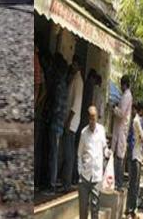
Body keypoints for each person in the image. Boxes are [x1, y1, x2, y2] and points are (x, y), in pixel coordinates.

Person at [77, 106, 107, 219]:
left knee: (95, 208)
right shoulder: (84, 133)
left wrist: (107, 152)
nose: (92, 121)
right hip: (85, 176)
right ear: (88, 118)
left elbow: (104, 148)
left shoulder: (102, 130)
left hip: (97, 176)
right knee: (83, 209)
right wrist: (80, 172)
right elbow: (79, 154)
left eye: (94, 119)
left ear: (97, 118)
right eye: (90, 118)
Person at [48, 57, 73, 191]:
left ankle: (52, 184)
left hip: (55, 124)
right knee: (55, 154)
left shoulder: (59, 85)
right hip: (60, 125)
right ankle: (53, 181)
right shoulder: (64, 85)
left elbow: (57, 107)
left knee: (54, 154)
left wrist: (49, 111)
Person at [61, 59, 84, 191]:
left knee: (69, 154)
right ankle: (66, 182)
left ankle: (66, 183)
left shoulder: (78, 81)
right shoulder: (75, 79)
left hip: (71, 123)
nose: (72, 65)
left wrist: (68, 121)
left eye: (75, 63)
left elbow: (75, 104)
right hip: (71, 121)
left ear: (78, 65)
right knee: (68, 153)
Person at [111, 75, 132, 190]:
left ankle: (118, 182)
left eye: (121, 84)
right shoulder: (125, 96)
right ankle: (116, 181)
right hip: (120, 129)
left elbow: (122, 113)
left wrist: (114, 109)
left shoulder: (127, 96)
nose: (121, 86)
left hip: (121, 130)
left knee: (119, 156)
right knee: (118, 155)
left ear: (124, 84)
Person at [125, 101, 143, 216]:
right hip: (135, 155)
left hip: (138, 155)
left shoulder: (138, 120)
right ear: (141, 110)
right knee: (133, 184)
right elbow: (142, 138)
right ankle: (131, 208)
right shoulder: (137, 121)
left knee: (135, 183)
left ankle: (132, 208)